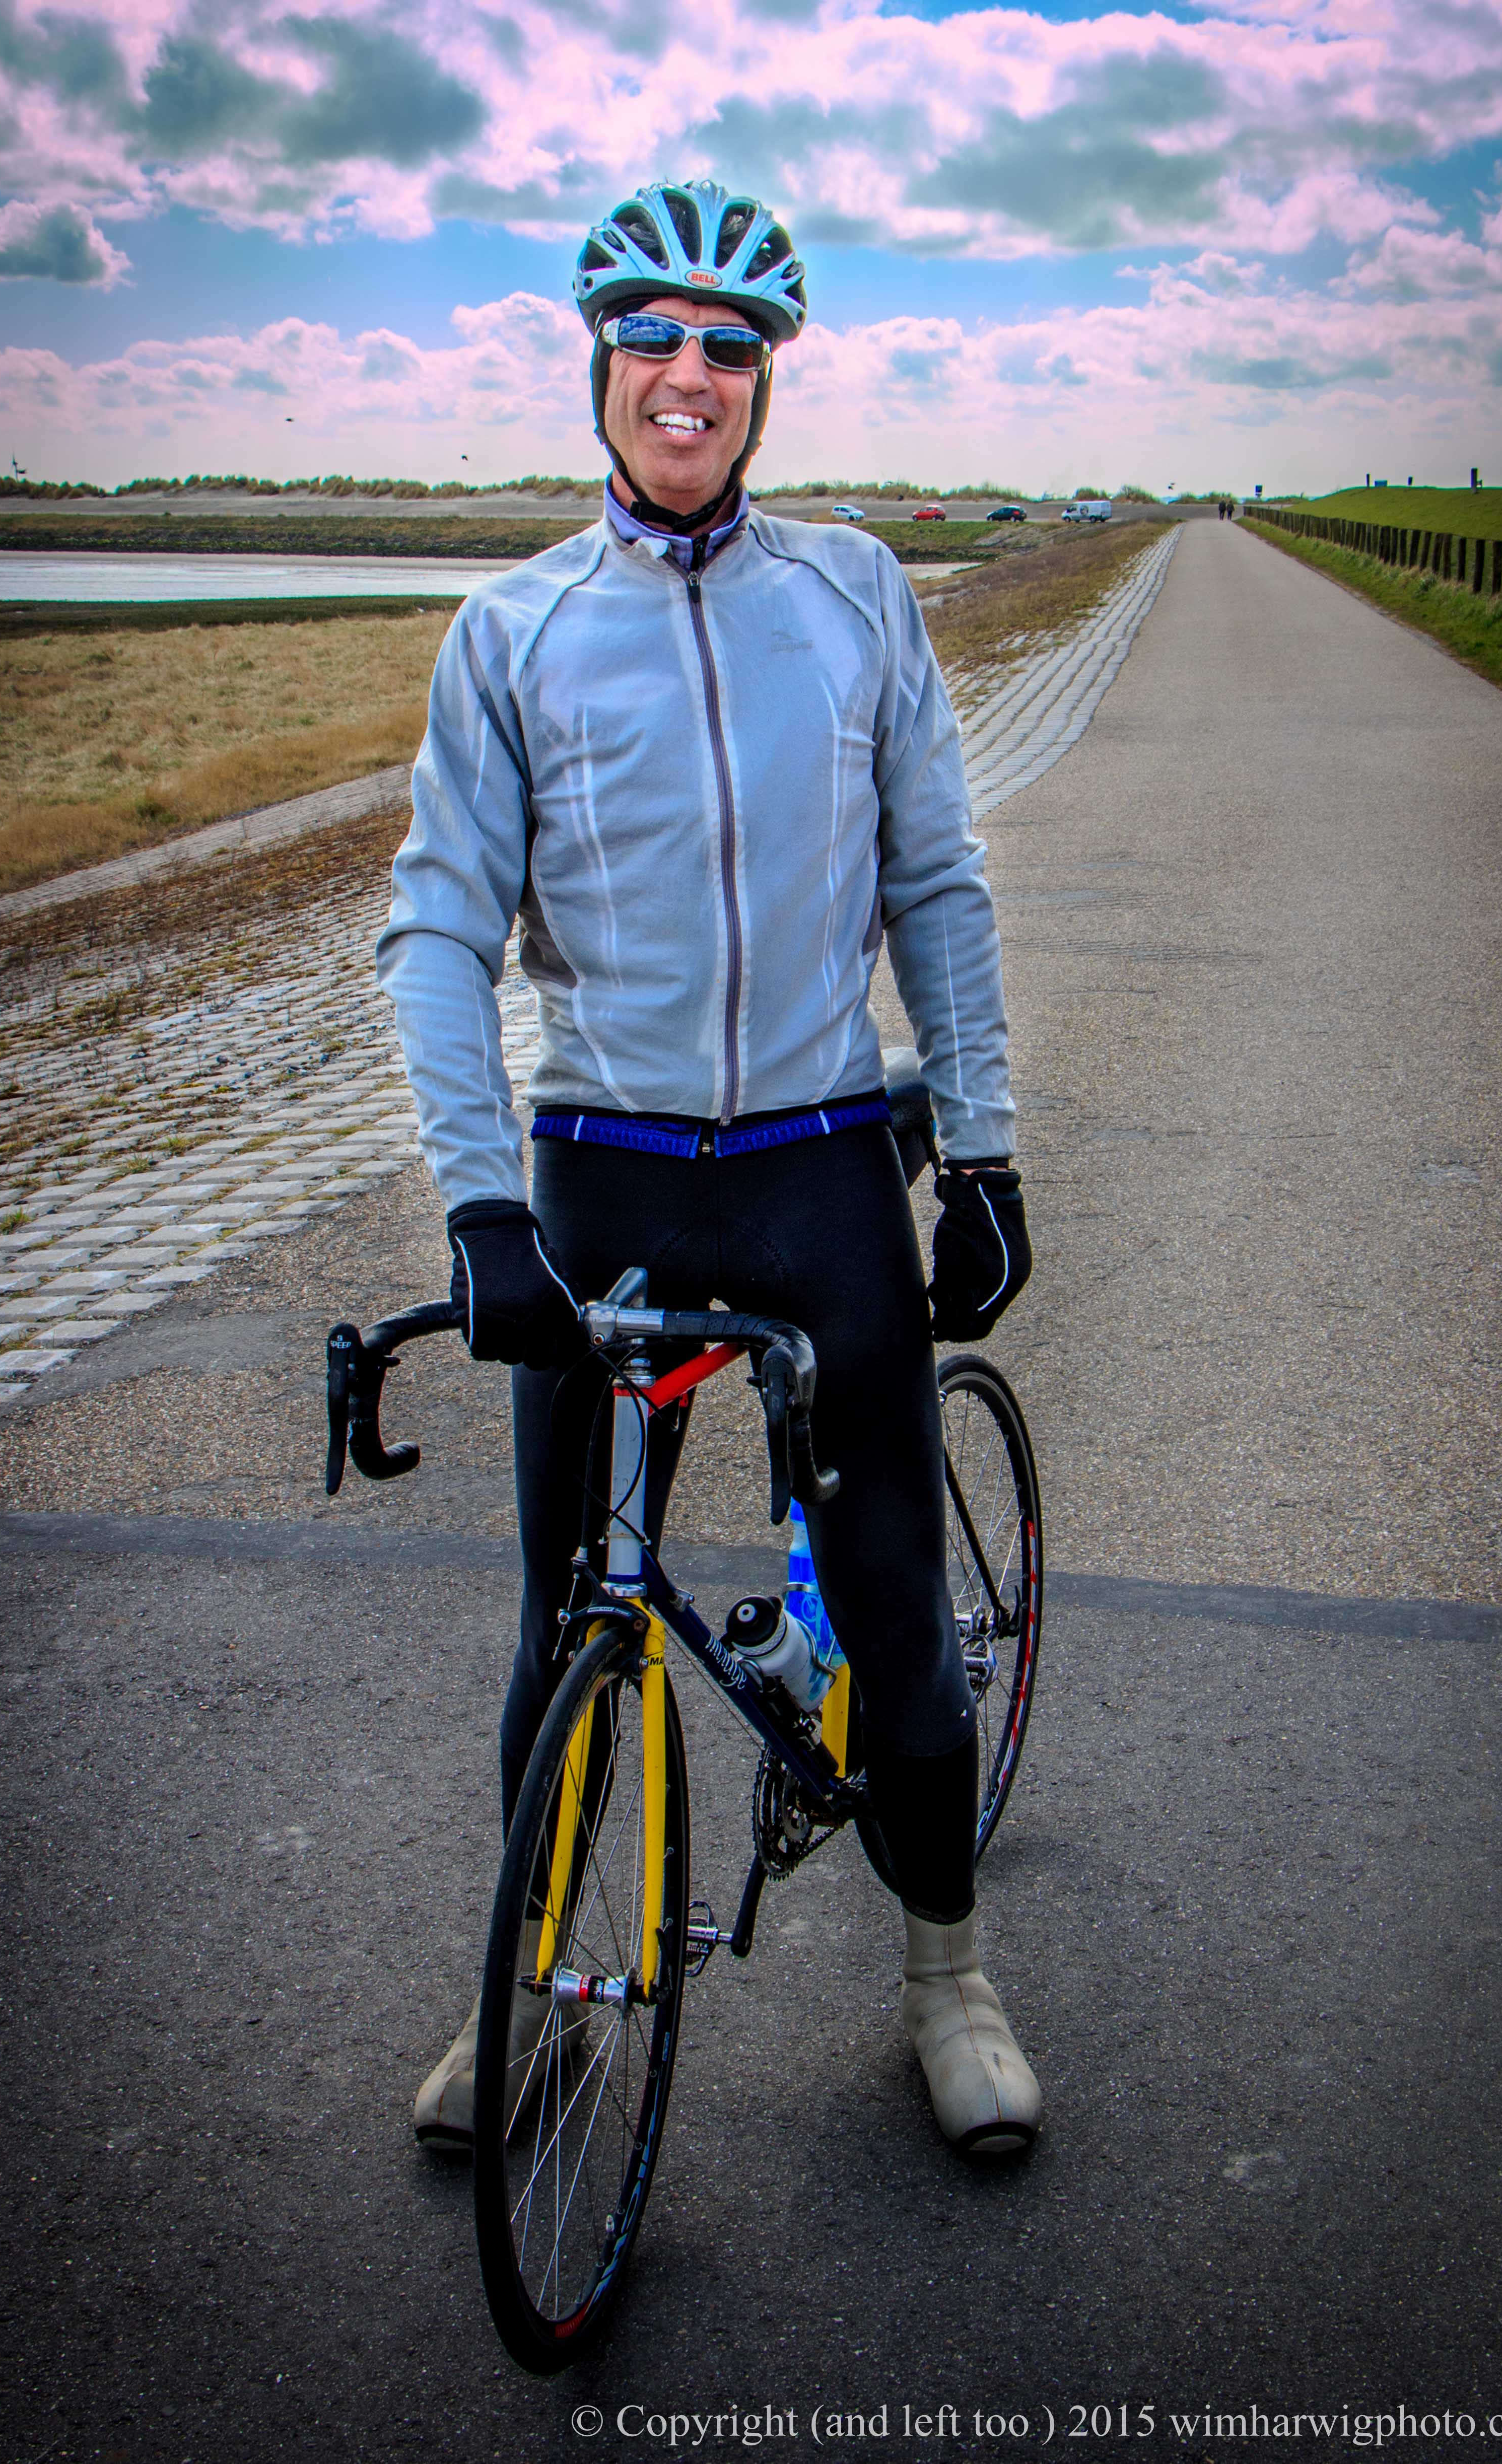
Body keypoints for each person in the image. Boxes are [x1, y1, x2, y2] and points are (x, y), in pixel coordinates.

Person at [378, 179, 1039, 2161]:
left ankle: (947, 1979)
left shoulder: (854, 596)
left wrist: (981, 1149)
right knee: (565, 1613)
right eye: (653, 341)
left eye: (729, 347)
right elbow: (437, 929)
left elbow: (936, 882)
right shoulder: (515, 631)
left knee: (897, 1601)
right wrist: (479, 1206)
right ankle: (529, 2000)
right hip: (605, 1174)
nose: (690, 374)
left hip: (823, 1169)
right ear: (600, 369)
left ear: (767, 382)